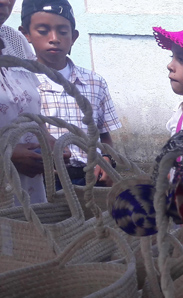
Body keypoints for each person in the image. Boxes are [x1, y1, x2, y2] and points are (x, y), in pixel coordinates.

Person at [20, 0, 119, 187]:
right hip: (42, 181)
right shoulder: (20, 83)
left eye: (63, 32)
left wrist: (107, 159)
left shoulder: (95, 82)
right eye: (43, 31)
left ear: (74, 37)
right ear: (26, 34)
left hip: (91, 179)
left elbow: (104, 135)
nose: (54, 38)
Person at [0, 0, 46, 205]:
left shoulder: (15, 40)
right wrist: (5, 154)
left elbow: (29, 102)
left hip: (27, 190)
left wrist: (47, 142)